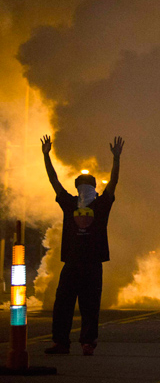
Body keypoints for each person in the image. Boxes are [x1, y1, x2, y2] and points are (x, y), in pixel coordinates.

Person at [41, 135, 124, 356]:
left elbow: (113, 182)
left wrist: (116, 160)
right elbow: (54, 181)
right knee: (63, 305)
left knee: (89, 306)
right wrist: (46, 156)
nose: (85, 189)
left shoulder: (99, 204)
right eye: (82, 185)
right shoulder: (73, 203)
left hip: (91, 264)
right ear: (78, 188)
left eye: (87, 185)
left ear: (93, 188)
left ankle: (87, 342)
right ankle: (62, 343)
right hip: (74, 263)